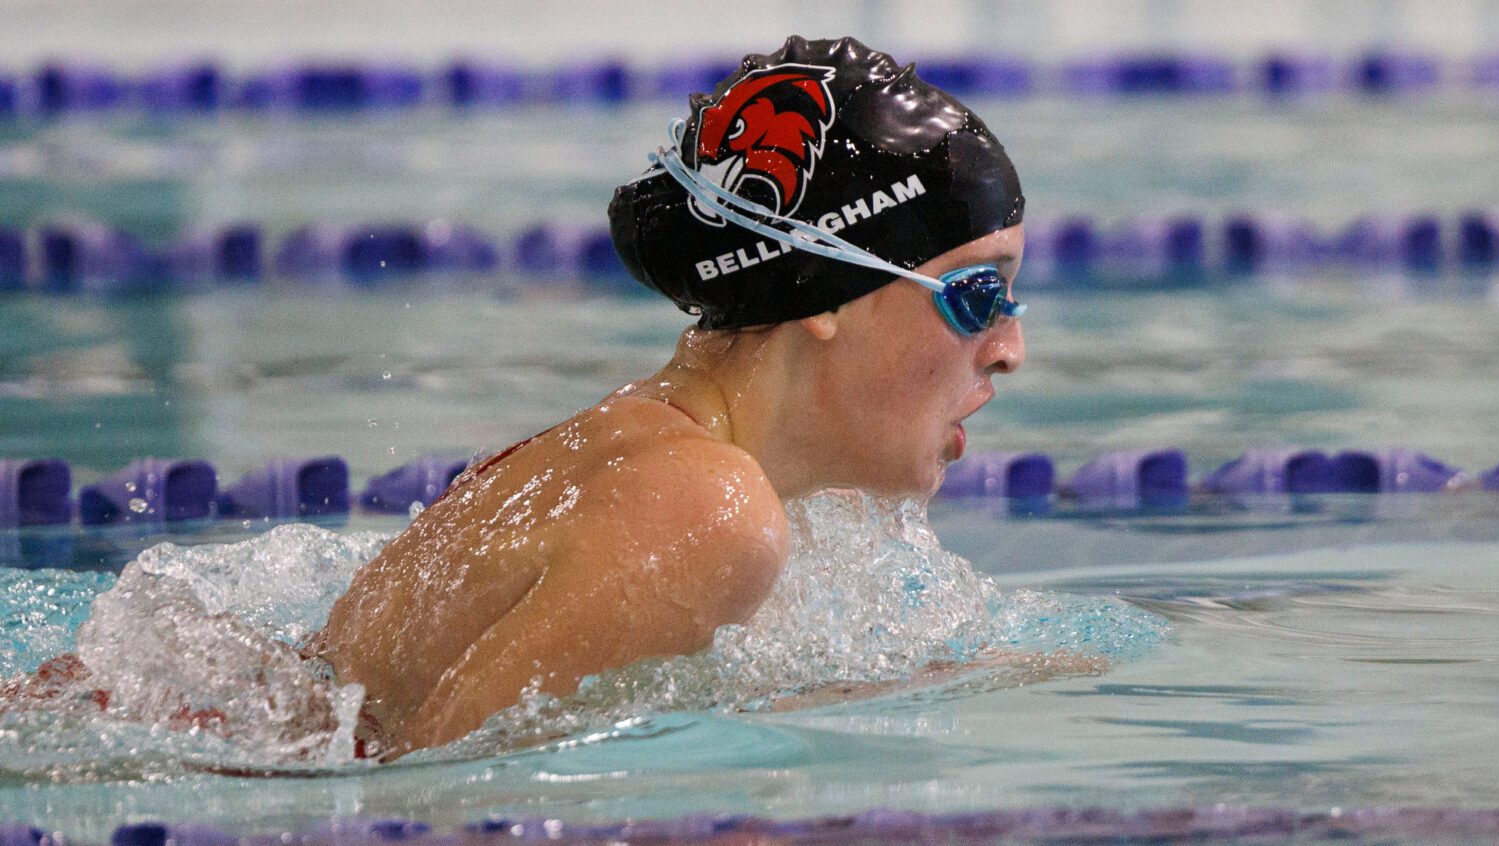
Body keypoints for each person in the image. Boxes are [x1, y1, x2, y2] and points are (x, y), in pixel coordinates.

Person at [311, 35, 1028, 759]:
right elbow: (435, 802)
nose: (1009, 350)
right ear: (824, 290)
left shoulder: (655, 460)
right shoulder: (710, 509)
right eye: (977, 296)